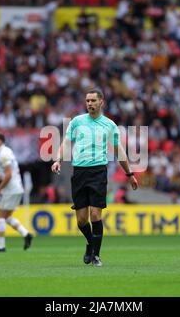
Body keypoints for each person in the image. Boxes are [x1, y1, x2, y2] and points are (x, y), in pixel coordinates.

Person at [51, 88, 138, 267]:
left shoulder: (109, 125)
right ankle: (90, 243)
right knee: (81, 220)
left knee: (95, 214)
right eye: (87, 101)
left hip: (98, 171)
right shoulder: (77, 122)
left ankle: (96, 255)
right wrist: (58, 159)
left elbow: (119, 151)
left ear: (101, 102)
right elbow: (66, 143)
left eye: (93, 100)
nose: (89, 103)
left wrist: (129, 174)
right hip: (79, 172)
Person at [0, 132, 33, 252]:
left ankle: (1, 246)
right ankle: (26, 234)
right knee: (7, 216)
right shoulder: (6, 151)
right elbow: (5, 171)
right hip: (16, 188)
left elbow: (8, 174)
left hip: (10, 189)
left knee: (0, 216)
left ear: (0, 141)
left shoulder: (3, 154)